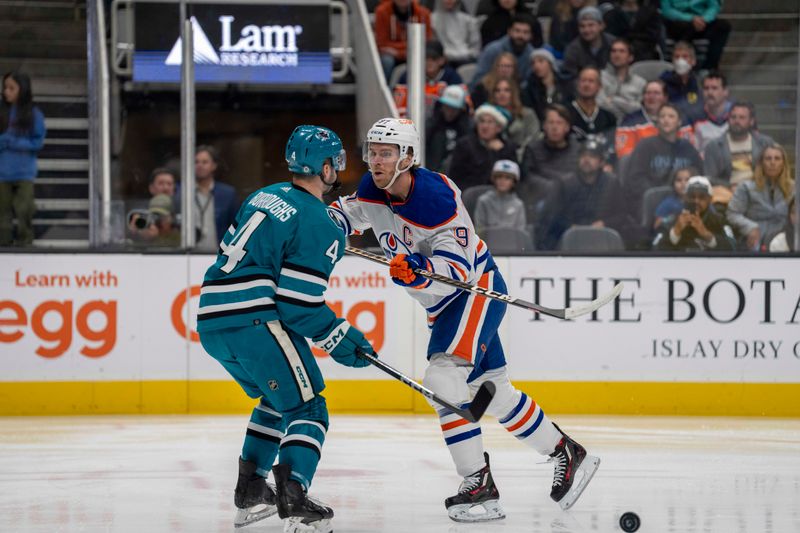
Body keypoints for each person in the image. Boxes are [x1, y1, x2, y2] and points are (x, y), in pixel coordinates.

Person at [328, 117, 599, 523]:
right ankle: (566, 452)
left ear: (409, 157)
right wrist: (318, 228)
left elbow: (458, 269)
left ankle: (478, 482)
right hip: (442, 306)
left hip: (472, 294)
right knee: (492, 390)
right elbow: (346, 216)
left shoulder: (437, 199)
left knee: (444, 377)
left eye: (386, 153)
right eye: (372, 151)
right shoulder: (372, 189)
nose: (376, 161)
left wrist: (419, 268)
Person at [197, 125, 376, 532]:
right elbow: (298, 305)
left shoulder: (265, 194)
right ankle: (293, 495)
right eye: (337, 162)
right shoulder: (319, 222)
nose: (339, 170)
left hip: (212, 317)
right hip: (254, 319)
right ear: (325, 167)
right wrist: (342, 338)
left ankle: (251, 492)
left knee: (278, 401)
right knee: (309, 406)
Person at [624, 103, 703, 220]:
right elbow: (636, 179)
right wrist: (658, 195)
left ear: (679, 122)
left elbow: (700, 176)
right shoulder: (645, 145)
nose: (666, 120)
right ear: (657, 122)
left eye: (671, 116)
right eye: (662, 116)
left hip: (684, 202)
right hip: (653, 203)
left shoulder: (688, 148)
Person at [540, 140, 619, 250]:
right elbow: (551, 217)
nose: (586, 160)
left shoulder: (612, 183)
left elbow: (622, 216)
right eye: (583, 156)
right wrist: (569, 226)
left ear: (601, 162)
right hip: (568, 244)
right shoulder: (564, 183)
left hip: (602, 241)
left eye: (592, 156)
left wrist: (605, 223)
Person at [0, 71, 46, 247]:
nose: (6, 92)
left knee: (24, 209)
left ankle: (24, 244)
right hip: (2, 174)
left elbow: (37, 142)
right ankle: (3, 245)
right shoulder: (2, 111)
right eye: (5, 88)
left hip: (24, 173)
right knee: (2, 213)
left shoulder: (34, 113)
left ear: (23, 89)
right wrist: (4, 141)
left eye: (11, 88)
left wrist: (16, 142)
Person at [726, 144, 795, 252]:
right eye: (768, 158)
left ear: (783, 163)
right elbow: (732, 214)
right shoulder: (746, 187)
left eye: (777, 158)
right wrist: (750, 227)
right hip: (754, 243)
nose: (772, 162)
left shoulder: (794, 189)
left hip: (785, 241)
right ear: (761, 163)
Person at [652, 175, 735, 251]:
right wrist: (675, 232)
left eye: (702, 197)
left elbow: (733, 247)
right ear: (684, 197)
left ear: (710, 199)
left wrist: (707, 235)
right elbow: (654, 248)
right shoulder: (669, 221)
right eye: (692, 196)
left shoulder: (720, 221)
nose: (696, 201)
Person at [615, 80, 695, 158]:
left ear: (665, 97)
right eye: (648, 93)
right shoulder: (630, 121)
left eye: (656, 93)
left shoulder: (679, 118)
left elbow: (688, 149)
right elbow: (624, 154)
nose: (651, 97)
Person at [703, 101, 774, 189]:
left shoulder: (765, 143)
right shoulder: (714, 146)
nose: (737, 121)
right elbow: (710, 178)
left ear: (751, 121)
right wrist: (730, 187)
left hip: (759, 191)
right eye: (733, 117)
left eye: (742, 118)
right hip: (728, 193)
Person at [448, 103, 518, 190]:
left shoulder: (508, 148)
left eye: (490, 122)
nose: (485, 126)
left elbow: (513, 177)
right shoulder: (464, 145)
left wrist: (499, 152)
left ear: (499, 128)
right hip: (468, 195)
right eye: (482, 121)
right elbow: (455, 177)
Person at [393, 40, 464, 117]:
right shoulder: (409, 76)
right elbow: (398, 105)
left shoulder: (452, 76)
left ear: (442, 60)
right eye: (426, 58)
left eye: (434, 59)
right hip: (412, 119)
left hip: (441, 122)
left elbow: (461, 105)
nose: (429, 62)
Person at [190, 145, 240, 252]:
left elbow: (236, 228)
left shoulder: (227, 194)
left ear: (214, 166)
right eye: (196, 162)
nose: (200, 165)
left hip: (218, 255)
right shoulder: (183, 192)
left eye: (204, 162)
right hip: (186, 255)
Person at [472, 13, 539, 89]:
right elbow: (478, 80)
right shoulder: (492, 50)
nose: (521, 36)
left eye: (525, 32)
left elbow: (530, 83)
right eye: (517, 31)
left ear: (531, 35)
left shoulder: (532, 54)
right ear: (509, 31)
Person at [661, 0, 731, 70]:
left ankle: (709, 68)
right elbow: (667, 10)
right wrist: (691, 18)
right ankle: (680, 66)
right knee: (683, 27)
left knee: (723, 27)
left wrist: (704, 19)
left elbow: (713, 7)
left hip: (702, 21)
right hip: (678, 21)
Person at [374, 0, 434, 82]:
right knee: (386, 60)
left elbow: (426, 42)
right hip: (393, 56)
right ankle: (385, 90)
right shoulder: (382, 12)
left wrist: (398, 52)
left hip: (415, 52)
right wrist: (409, 47)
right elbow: (382, 44)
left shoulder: (423, 13)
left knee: (431, 57)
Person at [487, 77, 539, 159]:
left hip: (523, 157)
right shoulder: (488, 116)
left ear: (513, 93)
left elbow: (533, 139)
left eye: (507, 90)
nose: (502, 94)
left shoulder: (527, 114)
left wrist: (516, 155)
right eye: (497, 90)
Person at [473, 159, 527, 236]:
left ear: (514, 182)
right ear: (494, 179)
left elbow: (521, 233)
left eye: (507, 178)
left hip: (512, 246)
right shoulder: (484, 201)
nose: (502, 181)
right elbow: (479, 230)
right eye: (499, 177)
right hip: (488, 245)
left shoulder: (518, 204)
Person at [560, 6, 615, 81]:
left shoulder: (613, 43)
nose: (586, 30)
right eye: (582, 26)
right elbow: (569, 78)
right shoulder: (573, 49)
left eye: (591, 25)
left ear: (601, 26)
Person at [426, 84, 472, 173]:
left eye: (454, 109)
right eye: (447, 107)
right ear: (441, 106)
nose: (450, 112)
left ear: (461, 110)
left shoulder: (467, 129)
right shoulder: (431, 125)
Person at [597, 38, 646, 121]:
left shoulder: (640, 82)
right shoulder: (599, 77)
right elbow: (600, 104)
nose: (617, 54)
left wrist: (614, 100)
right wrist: (627, 105)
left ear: (630, 57)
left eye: (622, 51)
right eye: (614, 51)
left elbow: (640, 109)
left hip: (632, 123)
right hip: (605, 122)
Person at [568, 66, 618, 146]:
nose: (586, 84)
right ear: (577, 85)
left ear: (599, 86)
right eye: (583, 80)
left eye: (591, 81)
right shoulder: (565, 114)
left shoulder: (609, 118)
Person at [522, 48, 572, 122]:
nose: (536, 66)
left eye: (541, 61)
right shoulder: (529, 90)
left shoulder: (565, 86)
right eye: (533, 63)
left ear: (550, 64)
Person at [659, 41, 703, 122]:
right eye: (677, 57)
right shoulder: (663, 82)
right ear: (672, 61)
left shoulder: (698, 82)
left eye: (685, 57)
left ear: (693, 61)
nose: (680, 61)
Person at [431, 0, 481, 67]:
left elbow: (475, 47)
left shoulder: (468, 20)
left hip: (466, 59)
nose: (449, 1)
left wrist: (467, 53)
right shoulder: (431, 20)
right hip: (442, 62)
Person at [692, 71, 733, 153]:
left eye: (714, 88)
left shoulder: (738, 115)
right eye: (706, 88)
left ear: (725, 92)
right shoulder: (694, 117)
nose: (710, 93)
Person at [653, 166, 697, 231]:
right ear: (673, 184)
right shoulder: (668, 203)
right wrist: (672, 219)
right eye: (679, 180)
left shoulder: (699, 203)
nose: (683, 183)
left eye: (687, 180)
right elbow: (657, 226)